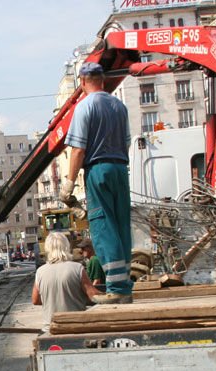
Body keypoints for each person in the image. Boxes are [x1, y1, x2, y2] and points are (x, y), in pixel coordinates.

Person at [62, 61, 134, 304]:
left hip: (98, 170)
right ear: (103, 80)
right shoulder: (119, 106)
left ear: (82, 82)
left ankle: (115, 287)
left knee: (104, 225)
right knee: (121, 223)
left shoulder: (85, 107)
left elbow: (78, 150)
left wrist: (69, 183)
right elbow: (126, 142)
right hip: (120, 168)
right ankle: (124, 287)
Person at [32, 233, 102, 330]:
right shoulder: (77, 268)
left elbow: (35, 300)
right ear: (67, 247)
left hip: (50, 328)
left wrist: (52, 300)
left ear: (47, 249)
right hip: (75, 327)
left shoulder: (40, 272)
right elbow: (93, 296)